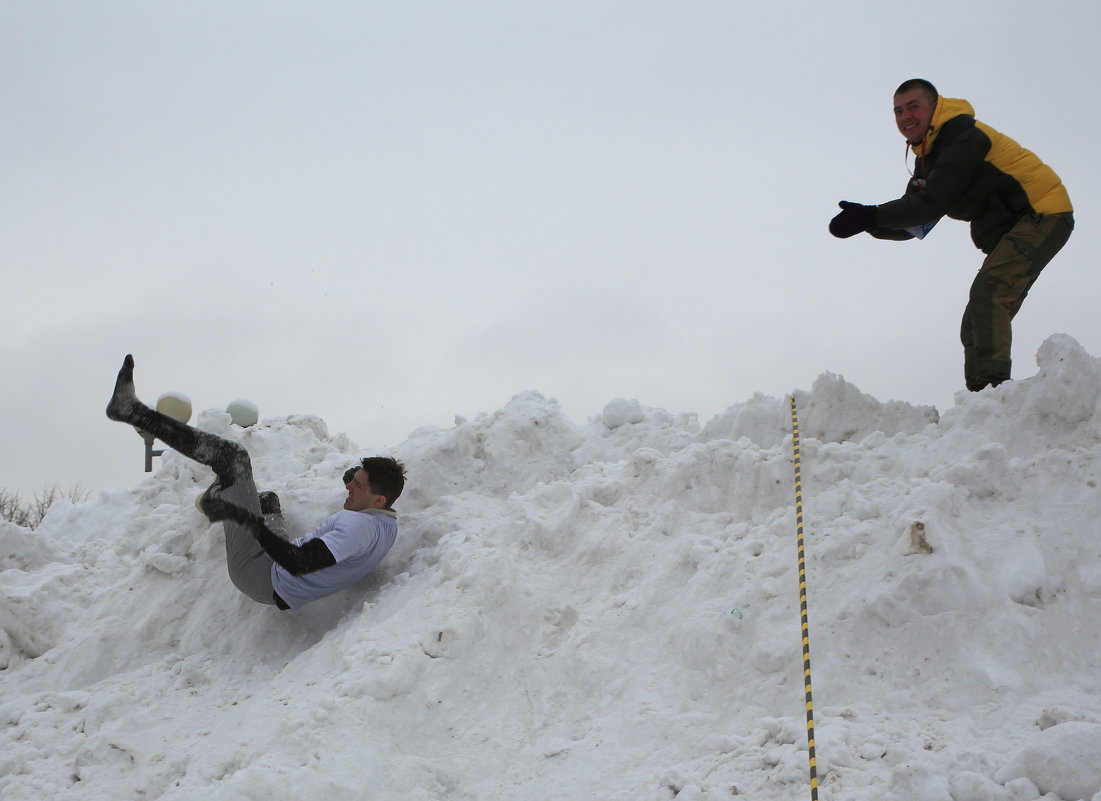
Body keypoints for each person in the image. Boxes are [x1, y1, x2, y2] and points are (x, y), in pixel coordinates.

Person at [106, 354, 407, 611]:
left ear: (378, 499)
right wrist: (356, 480)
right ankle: (220, 496)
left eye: (357, 485)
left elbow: (298, 561)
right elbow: (358, 510)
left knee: (233, 458)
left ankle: (131, 411)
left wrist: (245, 520)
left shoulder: (356, 529)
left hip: (260, 572)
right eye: (352, 480)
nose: (349, 487)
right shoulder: (385, 523)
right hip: (279, 577)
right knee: (267, 501)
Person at [829, 78, 1074, 391]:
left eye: (914, 106)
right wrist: (868, 223)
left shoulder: (962, 138)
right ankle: (982, 399)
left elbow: (930, 203)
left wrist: (872, 213)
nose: (906, 116)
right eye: (898, 111)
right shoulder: (928, 159)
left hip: (1042, 212)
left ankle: (992, 391)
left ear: (935, 107)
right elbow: (915, 221)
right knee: (975, 317)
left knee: (991, 294)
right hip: (1018, 223)